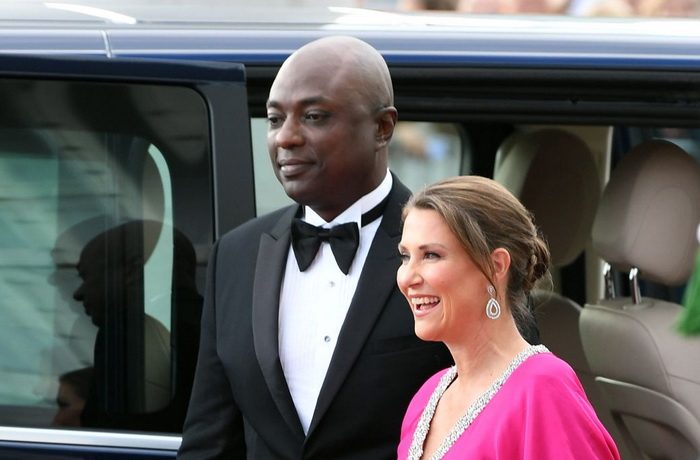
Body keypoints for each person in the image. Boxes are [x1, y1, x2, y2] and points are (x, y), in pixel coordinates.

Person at [177, 36, 453, 459]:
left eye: (314, 116)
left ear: (382, 128)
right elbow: (210, 440)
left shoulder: (453, 250)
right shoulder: (236, 256)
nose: (285, 138)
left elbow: (500, 417)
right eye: (274, 119)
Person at [396, 176, 620, 459]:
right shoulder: (427, 398)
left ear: (496, 266)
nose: (407, 278)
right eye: (405, 257)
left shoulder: (544, 389)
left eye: (431, 255)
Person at [74, 220, 202, 432]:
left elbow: (109, 436)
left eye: (86, 276)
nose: (78, 293)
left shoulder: (127, 333)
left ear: (134, 270)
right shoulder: (217, 327)